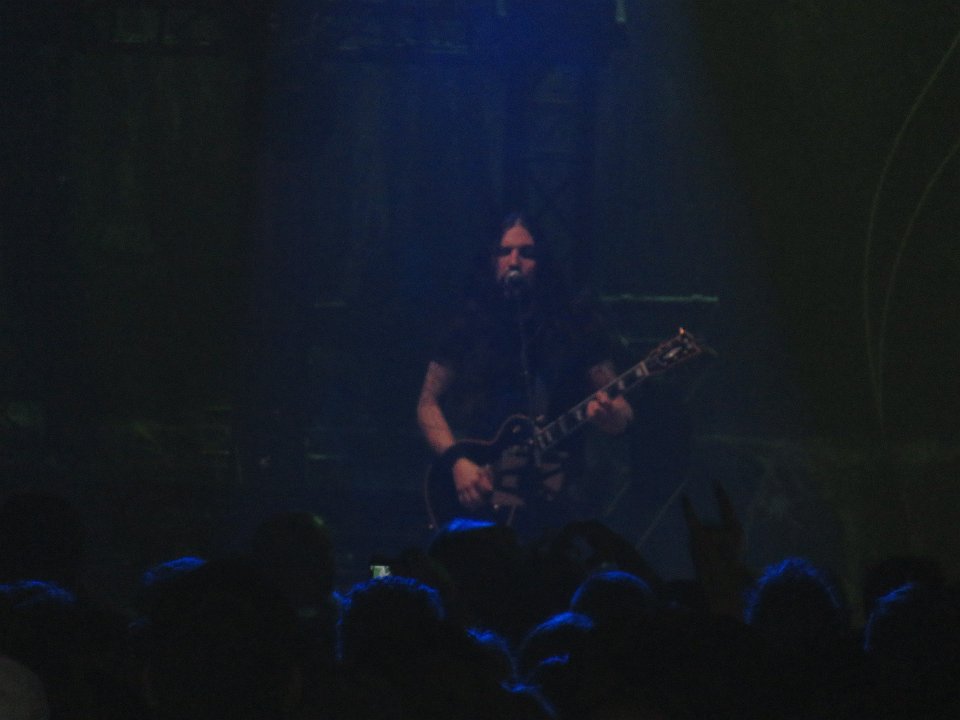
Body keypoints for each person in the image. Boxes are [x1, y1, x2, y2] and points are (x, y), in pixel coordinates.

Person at [417, 212, 634, 536]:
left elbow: (619, 407)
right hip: (484, 480)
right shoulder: (467, 323)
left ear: (543, 262)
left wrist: (613, 417)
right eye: (504, 252)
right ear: (491, 260)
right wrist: (457, 462)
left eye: (527, 253)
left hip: (558, 484)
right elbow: (427, 404)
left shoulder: (576, 323)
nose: (514, 261)